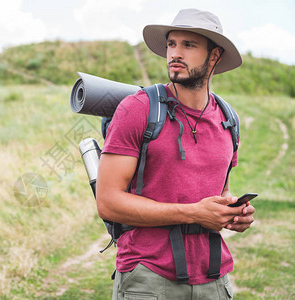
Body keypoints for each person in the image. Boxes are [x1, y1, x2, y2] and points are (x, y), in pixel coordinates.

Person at [96, 8, 256, 299]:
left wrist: (232, 213)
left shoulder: (228, 119)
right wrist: (194, 213)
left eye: (189, 45)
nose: (175, 53)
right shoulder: (138, 109)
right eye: (171, 44)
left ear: (215, 56)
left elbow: (219, 192)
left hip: (214, 278)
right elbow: (108, 202)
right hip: (148, 276)